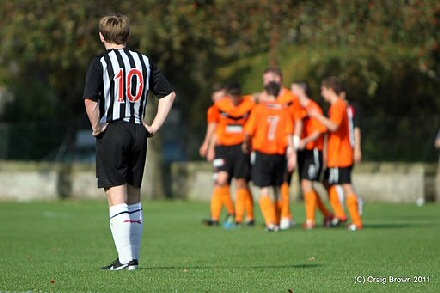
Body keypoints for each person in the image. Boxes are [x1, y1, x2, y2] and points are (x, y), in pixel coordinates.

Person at [83, 13, 176, 270]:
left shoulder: (100, 62)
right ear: (127, 35)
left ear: (102, 36)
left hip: (113, 130)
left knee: (116, 196)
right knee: (134, 195)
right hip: (138, 130)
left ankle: (126, 259)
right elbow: (168, 94)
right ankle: (132, 259)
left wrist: (96, 125)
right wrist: (154, 126)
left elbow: (91, 100)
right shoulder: (143, 60)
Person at [308, 76, 363, 231]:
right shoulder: (335, 107)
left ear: (330, 90)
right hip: (335, 154)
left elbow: (333, 126)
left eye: (323, 90)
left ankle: (356, 221)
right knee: (331, 183)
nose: (322, 93)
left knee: (346, 185)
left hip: (342, 154)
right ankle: (341, 215)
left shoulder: (338, 105)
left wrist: (318, 116)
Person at [243, 81, 296, 232]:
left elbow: (248, 131)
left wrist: (246, 144)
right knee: (278, 189)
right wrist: (292, 154)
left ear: (266, 93)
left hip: (263, 153)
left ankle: (271, 223)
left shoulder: (259, 109)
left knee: (264, 189)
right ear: (279, 93)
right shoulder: (285, 110)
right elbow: (289, 135)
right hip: (279, 154)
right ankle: (279, 221)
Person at [258, 67, 306, 230]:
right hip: (271, 145)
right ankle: (282, 217)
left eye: (269, 79)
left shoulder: (290, 97)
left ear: (279, 78)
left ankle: (283, 216)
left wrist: (295, 141)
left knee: (283, 181)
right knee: (279, 183)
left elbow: (298, 120)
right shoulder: (264, 98)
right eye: (264, 80)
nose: (266, 82)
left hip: (287, 142)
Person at [202, 82, 255, 228]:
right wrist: (208, 145)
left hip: (240, 147)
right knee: (221, 179)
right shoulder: (218, 107)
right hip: (223, 148)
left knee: (241, 182)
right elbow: (214, 127)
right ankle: (228, 213)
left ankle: (241, 217)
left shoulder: (249, 104)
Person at [291, 81, 335, 229]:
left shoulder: (313, 106)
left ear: (300, 90)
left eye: (293, 89)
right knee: (306, 185)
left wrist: (305, 140)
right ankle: (328, 215)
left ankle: (311, 220)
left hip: (313, 149)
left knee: (307, 184)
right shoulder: (296, 107)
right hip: (302, 150)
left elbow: (319, 130)